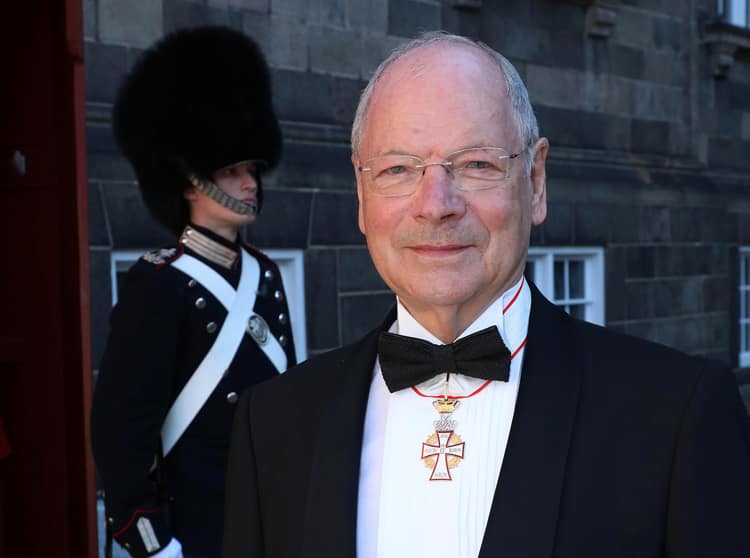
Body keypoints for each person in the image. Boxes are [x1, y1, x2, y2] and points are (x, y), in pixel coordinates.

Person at [222, 31, 750, 558]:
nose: (436, 205)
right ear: (362, 195)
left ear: (535, 182)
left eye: (477, 164)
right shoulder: (272, 423)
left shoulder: (675, 416)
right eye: (397, 169)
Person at [91, 26, 296, 558]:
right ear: (189, 182)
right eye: (231, 171)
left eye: (252, 169)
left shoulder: (266, 275)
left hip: (269, 521)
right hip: (197, 532)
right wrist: (154, 544)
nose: (250, 183)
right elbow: (122, 429)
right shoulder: (158, 283)